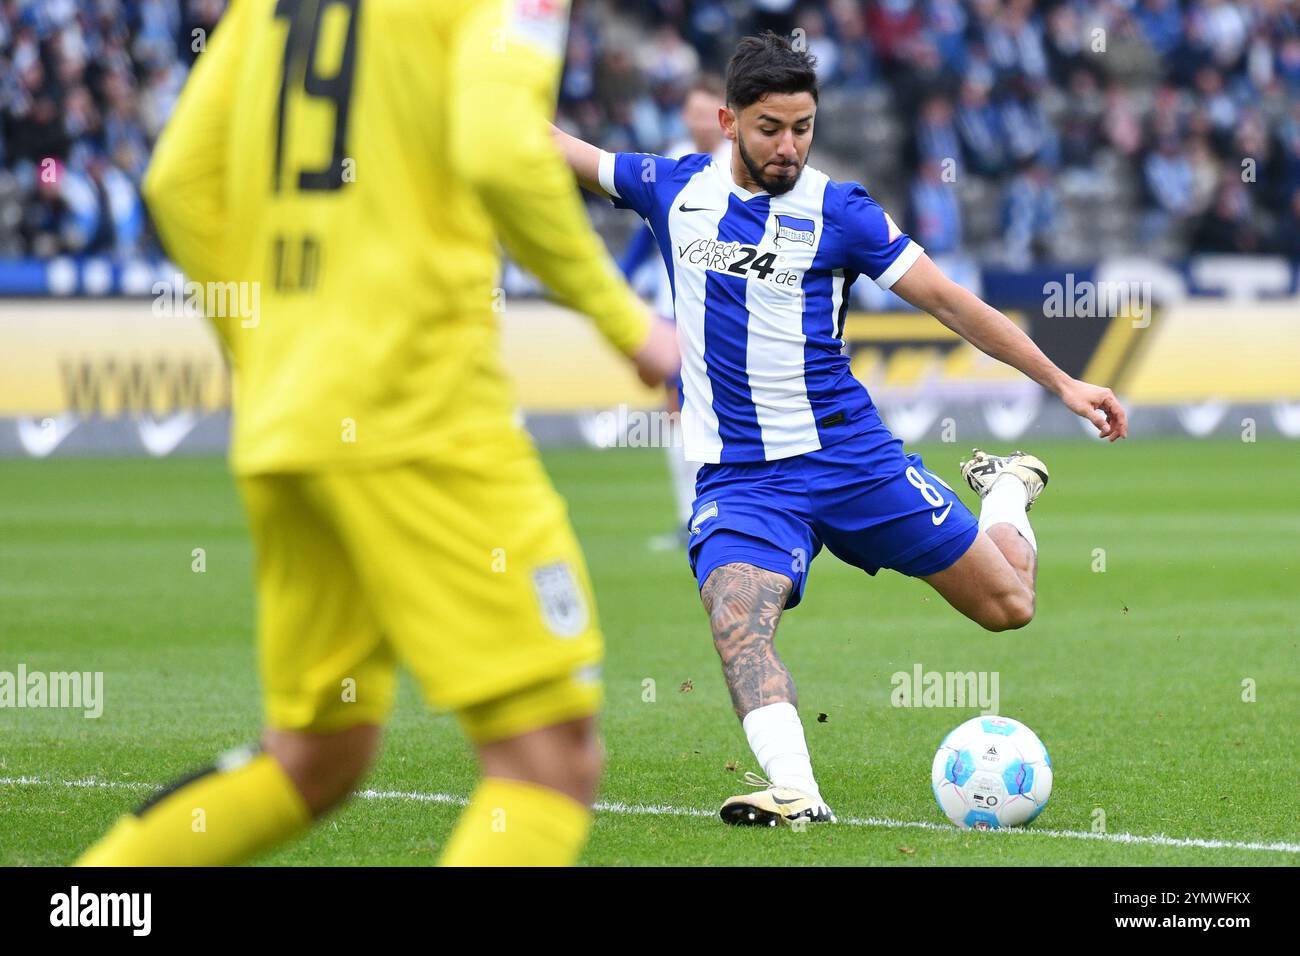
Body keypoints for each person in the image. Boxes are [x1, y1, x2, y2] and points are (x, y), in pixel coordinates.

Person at [77, 0, 676, 866]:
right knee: (548, 763)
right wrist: (633, 326)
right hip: (417, 413)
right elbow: (501, 147)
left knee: (316, 757)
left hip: (289, 417)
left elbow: (176, 181)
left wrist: (272, 345)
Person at [551, 31, 1126, 826]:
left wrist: (1061, 382)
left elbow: (952, 303)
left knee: (1009, 606)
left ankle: (1006, 492)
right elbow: (553, 147)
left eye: (803, 127)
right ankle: (797, 790)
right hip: (743, 479)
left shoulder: (841, 211)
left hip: (850, 458)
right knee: (736, 620)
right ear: (727, 120)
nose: (788, 147)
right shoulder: (670, 189)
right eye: (769, 129)